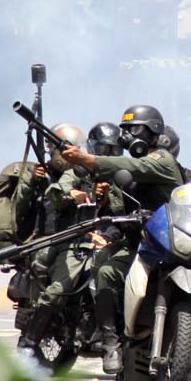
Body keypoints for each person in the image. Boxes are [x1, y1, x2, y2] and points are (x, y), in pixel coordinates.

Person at [61, 104, 191, 381]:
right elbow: (112, 210)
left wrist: (86, 158)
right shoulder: (124, 174)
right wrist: (100, 205)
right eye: (125, 131)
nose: (127, 137)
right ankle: (111, 341)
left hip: (183, 249)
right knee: (107, 269)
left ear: (155, 133)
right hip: (143, 247)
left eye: (134, 130)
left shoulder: (169, 166)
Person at [18, 124, 112, 358]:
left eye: (112, 149)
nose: (107, 153)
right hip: (61, 240)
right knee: (50, 287)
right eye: (102, 148)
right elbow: (53, 194)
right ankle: (30, 340)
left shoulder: (108, 172)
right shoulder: (74, 172)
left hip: (91, 241)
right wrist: (70, 194)